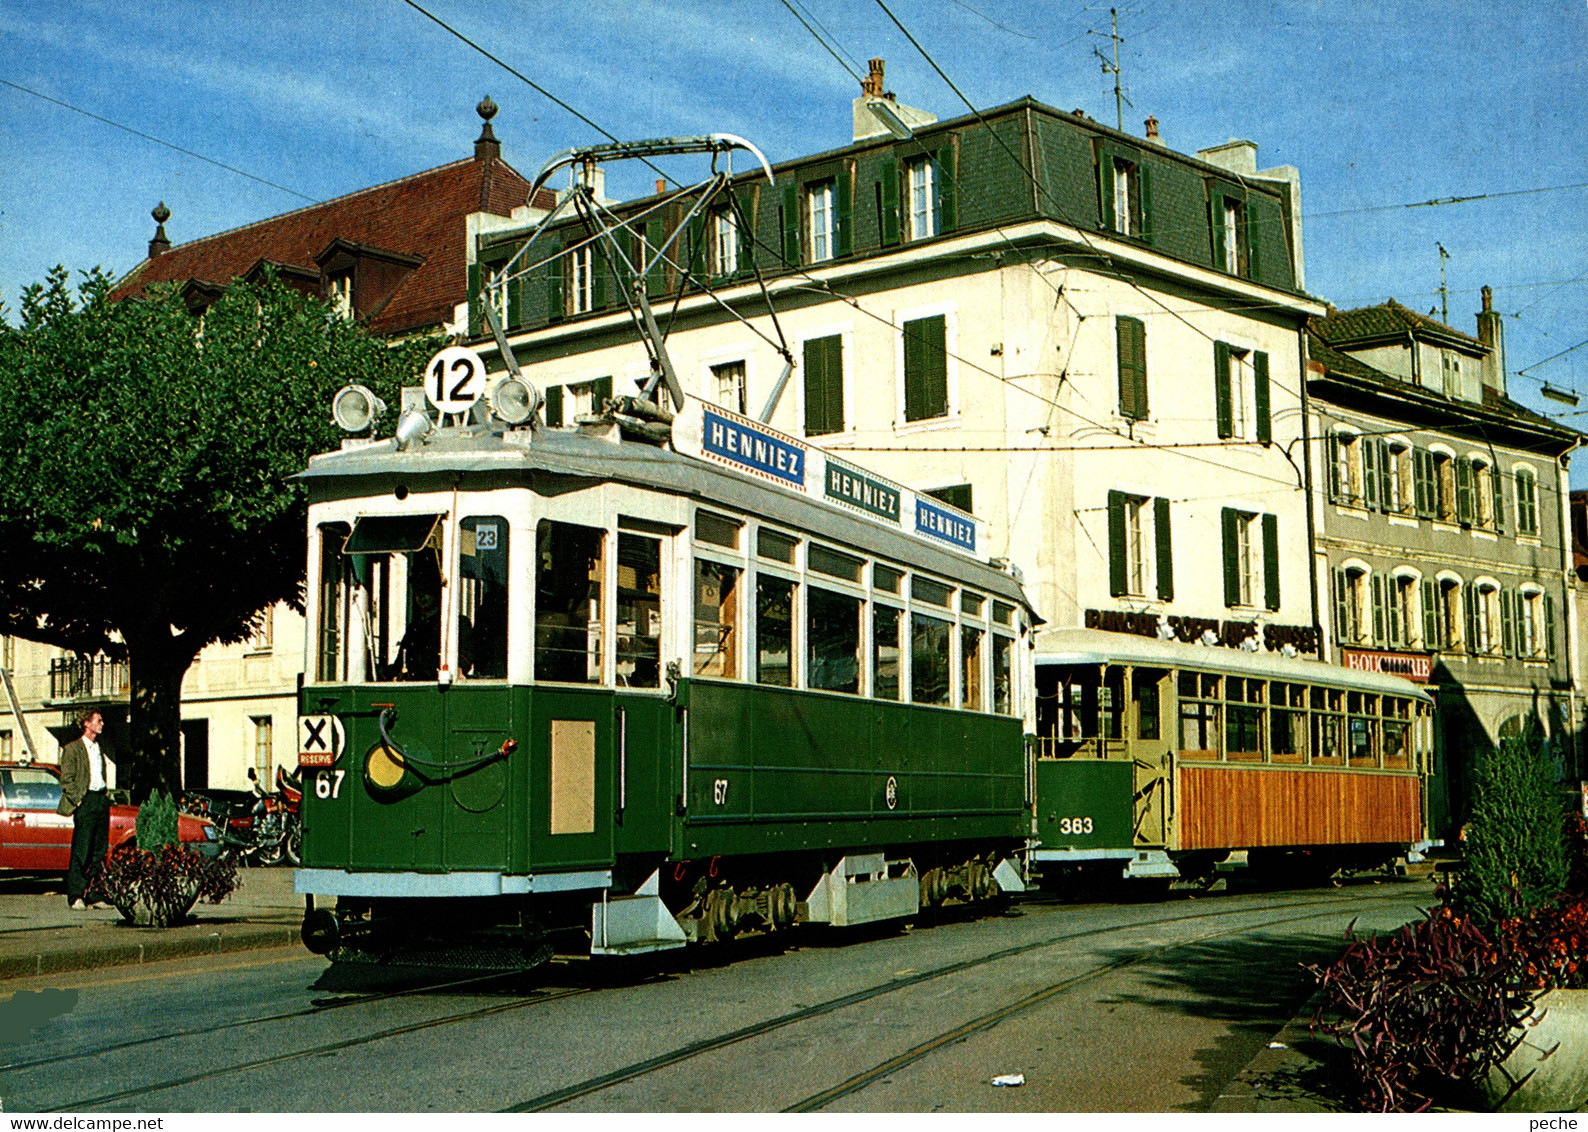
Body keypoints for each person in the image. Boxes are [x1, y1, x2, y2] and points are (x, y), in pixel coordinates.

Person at [57, 709, 113, 911]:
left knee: (99, 851)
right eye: (98, 720)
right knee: (82, 850)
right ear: (87, 724)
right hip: (86, 800)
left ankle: (95, 893)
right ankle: (76, 895)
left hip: (100, 800)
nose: (102, 724)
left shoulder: (99, 748)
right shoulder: (73, 749)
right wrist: (79, 800)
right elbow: (67, 779)